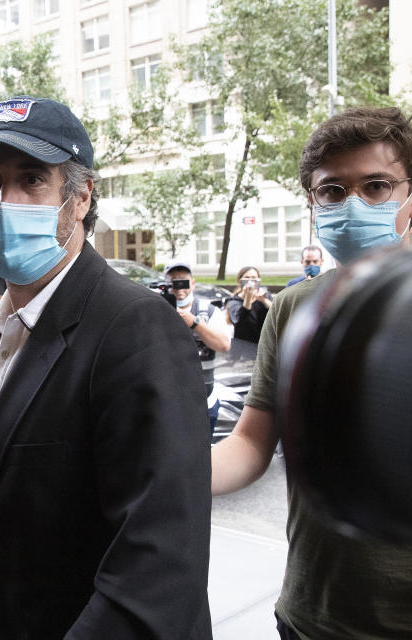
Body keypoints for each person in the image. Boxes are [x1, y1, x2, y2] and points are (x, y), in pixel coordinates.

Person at [0, 96, 211, 639]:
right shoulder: (0, 328)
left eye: (31, 180)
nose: (4, 202)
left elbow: (156, 566)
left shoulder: (135, 328)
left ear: (80, 197)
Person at [211, 106, 412, 639]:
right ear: (312, 204)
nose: (354, 205)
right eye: (332, 191)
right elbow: (251, 445)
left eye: (376, 186)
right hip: (314, 613)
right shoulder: (294, 308)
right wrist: (164, 468)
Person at [165, 260, 232, 435]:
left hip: (204, 402)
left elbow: (224, 345)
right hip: (168, 402)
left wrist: (194, 323)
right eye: (174, 282)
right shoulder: (158, 309)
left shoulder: (209, 311)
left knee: (202, 455)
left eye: (184, 281)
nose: (180, 288)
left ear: (193, 284)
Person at [225, 266, 272, 344]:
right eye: (247, 278)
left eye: (254, 278)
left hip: (264, 343)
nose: (250, 281)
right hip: (244, 346)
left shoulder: (264, 297)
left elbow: (277, 313)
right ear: (240, 281)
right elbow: (239, 321)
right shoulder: (233, 301)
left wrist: (264, 300)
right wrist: (248, 298)